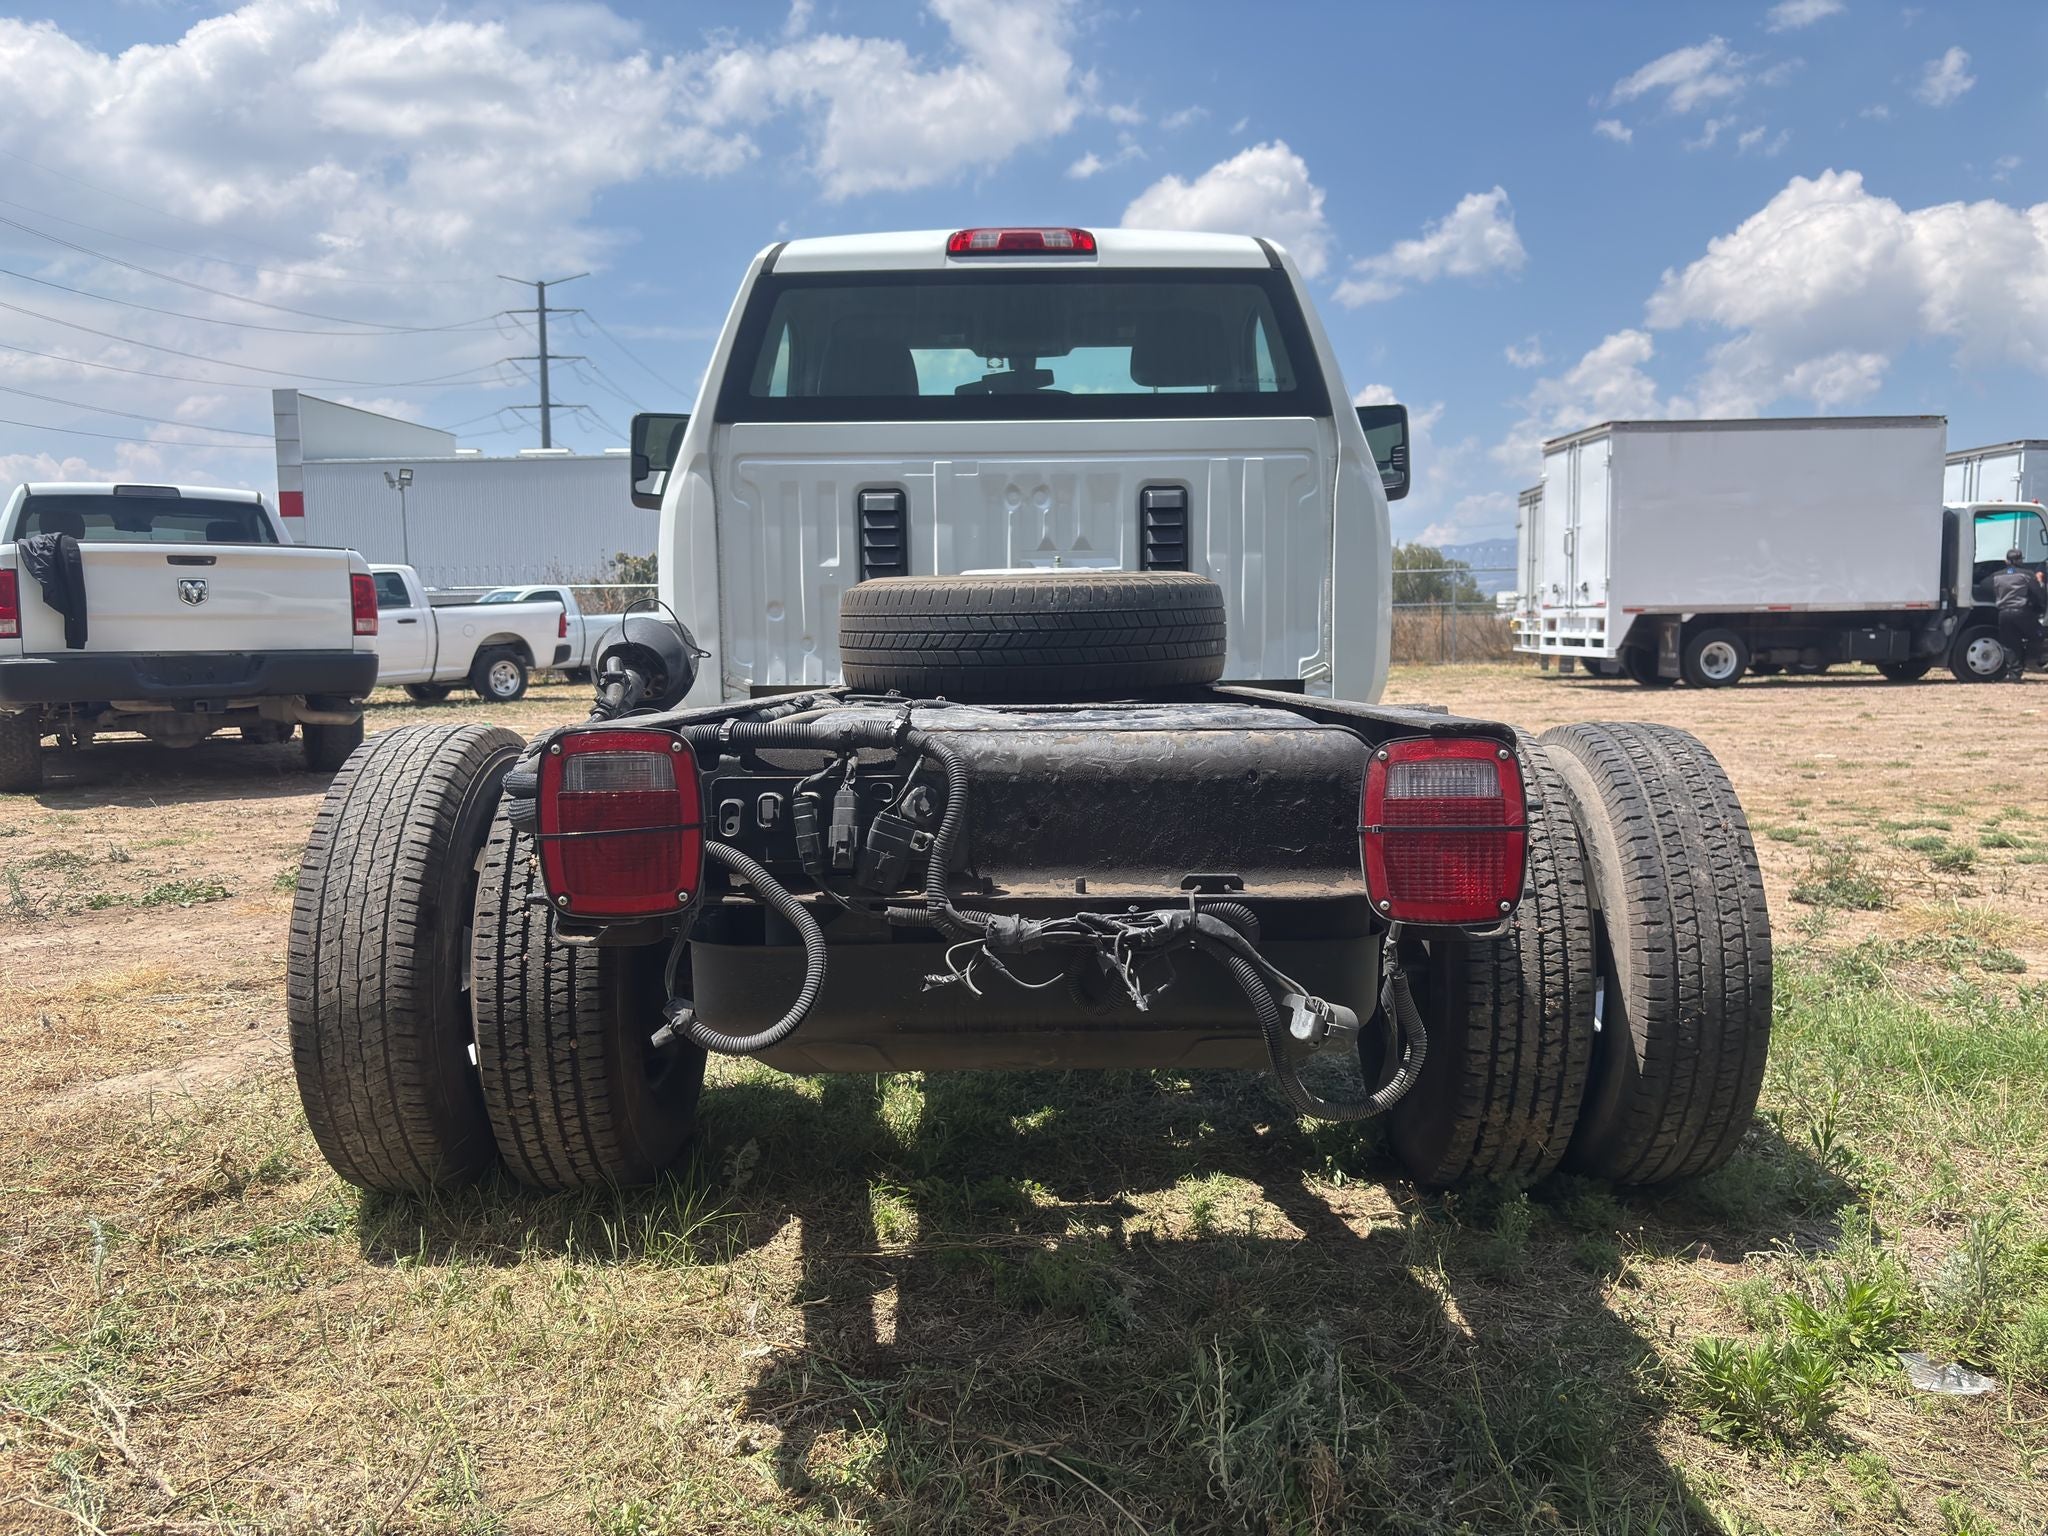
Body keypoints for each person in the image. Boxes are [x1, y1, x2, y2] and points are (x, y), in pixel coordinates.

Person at [1990, 546, 2047, 682]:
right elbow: (2038, 594)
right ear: (2021, 560)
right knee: (2039, 636)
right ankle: (2036, 661)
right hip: (2022, 612)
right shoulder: (2027, 574)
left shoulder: (1997, 575)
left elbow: (1986, 587)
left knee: (2010, 644)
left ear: (2006, 561)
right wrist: (2040, 608)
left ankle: (2014, 675)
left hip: (2003, 614)